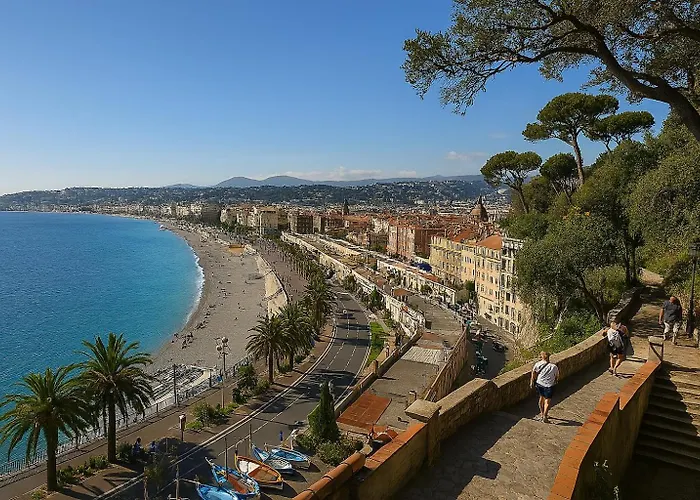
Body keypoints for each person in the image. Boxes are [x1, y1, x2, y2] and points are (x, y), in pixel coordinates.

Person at [530, 352, 559, 423]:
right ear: (548, 357)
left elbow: (533, 373)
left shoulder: (537, 364)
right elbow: (557, 376)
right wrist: (555, 381)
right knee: (547, 401)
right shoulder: (554, 367)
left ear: (542, 357)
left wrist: (531, 382)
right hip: (549, 386)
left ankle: (542, 413)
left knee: (541, 398)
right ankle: (545, 416)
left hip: (539, 384)